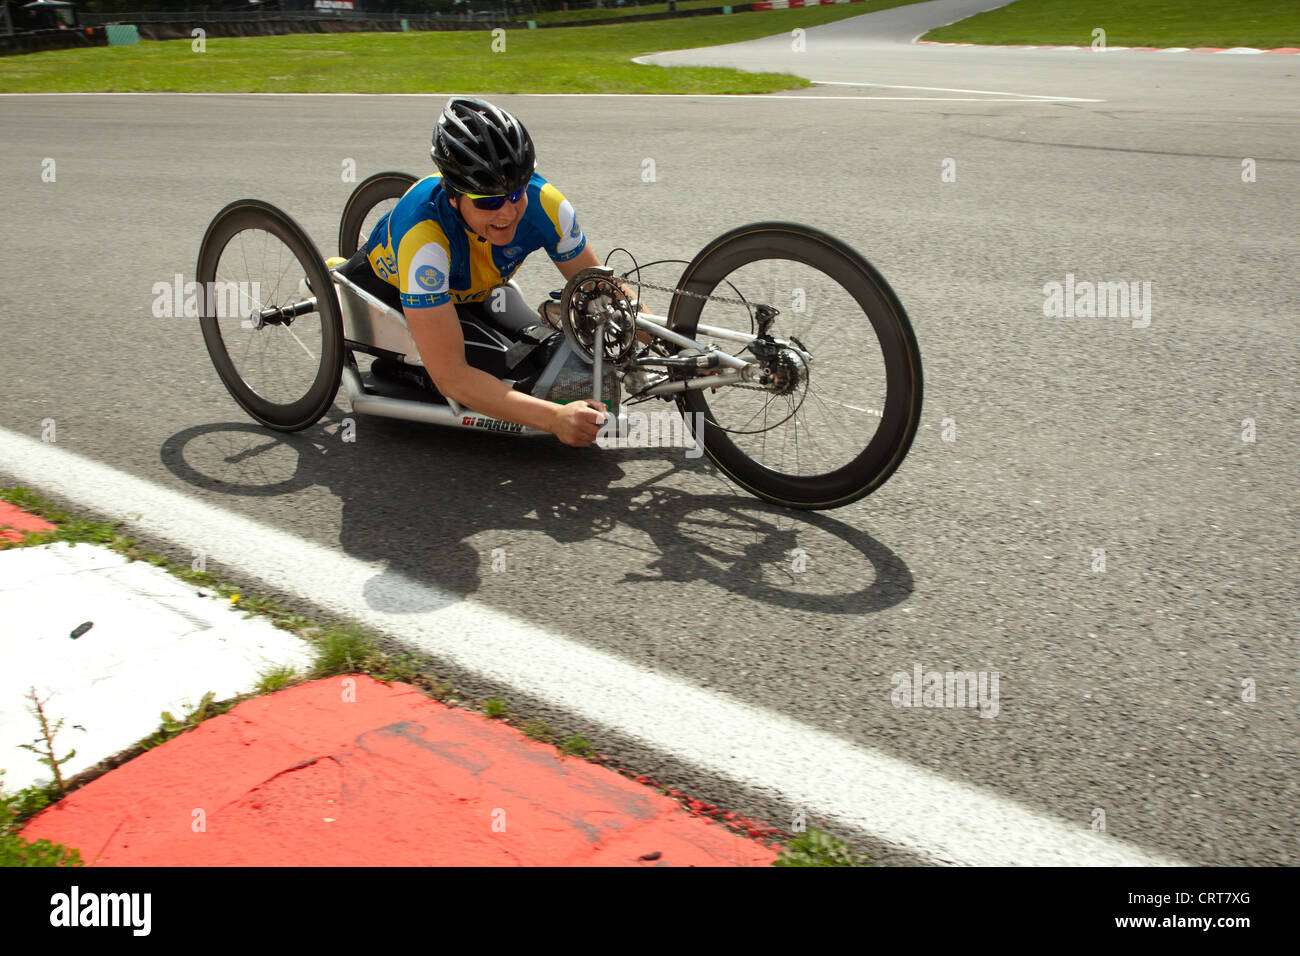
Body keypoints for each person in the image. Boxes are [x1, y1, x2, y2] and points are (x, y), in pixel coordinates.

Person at [355, 97, 616, 447]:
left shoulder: (546, 204)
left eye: (516, 193)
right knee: (519, 378)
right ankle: (402, 371)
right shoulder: (425, 243)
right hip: (395, 292)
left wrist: (673, 351)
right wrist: (555, 419)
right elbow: (455, 378)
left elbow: (604, 290)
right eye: (488, 201)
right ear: (453, 196)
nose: (507, 212)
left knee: (551, 351)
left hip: (478, 291)